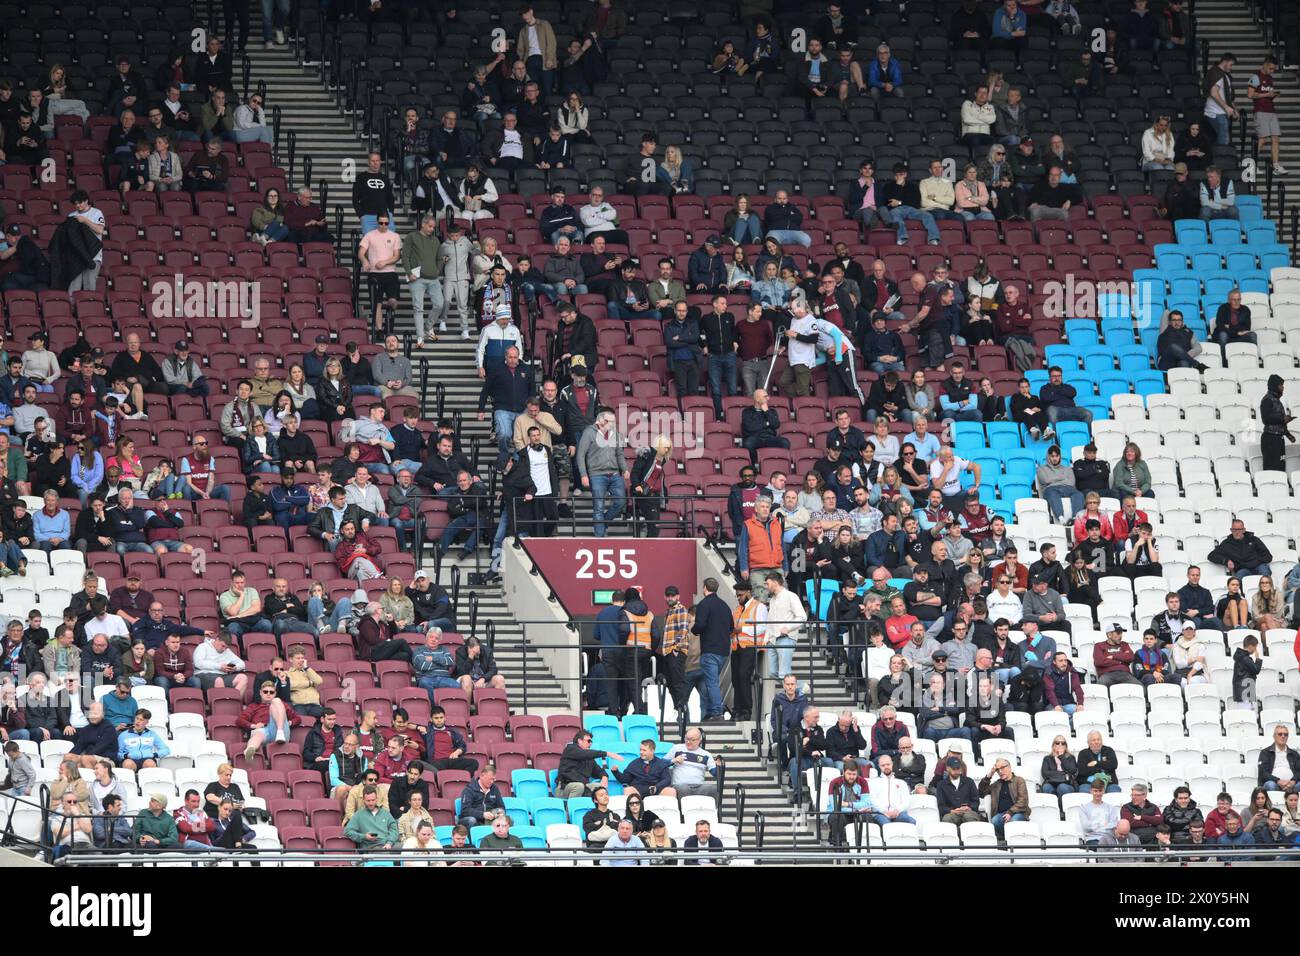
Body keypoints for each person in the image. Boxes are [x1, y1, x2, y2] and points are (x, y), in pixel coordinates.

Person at [1258, 725, 1300, 792]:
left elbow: (1299, 771)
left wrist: (1293, 781)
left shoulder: (1294, 754)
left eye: (1285, 734)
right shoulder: (1265, 752)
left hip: (1292, 786)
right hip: (1274, 783)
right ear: (1274, 736)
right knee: (1270, 785)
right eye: (1280, 734)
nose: (1283, 736)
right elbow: (1263, 773)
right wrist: (1278, 781)